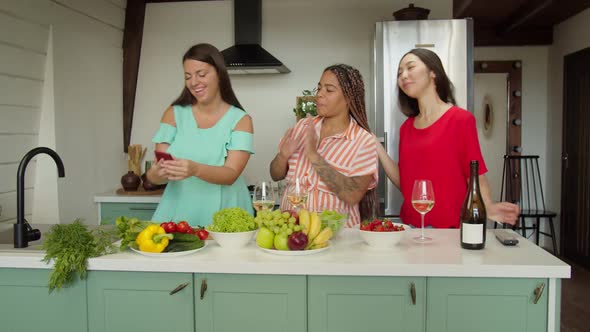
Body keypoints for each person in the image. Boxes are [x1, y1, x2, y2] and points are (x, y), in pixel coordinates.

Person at [376, 48, 519, 229]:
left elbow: (475, 175)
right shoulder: (406, 128)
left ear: (433, 72)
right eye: (399, 72)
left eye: (410, 67)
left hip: (450, 230)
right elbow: (406, 185)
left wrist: (488, 206)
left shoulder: (460, 120)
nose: (403, 75)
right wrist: (377, 146)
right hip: (411, 229)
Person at [147, 43, 254, 226]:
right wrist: (156, 174)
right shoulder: (173, 114)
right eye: (188, 76)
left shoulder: (241, 120)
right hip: (179, 210)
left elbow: (231, 174)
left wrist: (195, 169)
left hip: (226, 212)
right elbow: (157, 175)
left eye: (201, 74)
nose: (193, 82)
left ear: (219, 74)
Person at [270, 64, 378, 227]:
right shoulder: (302, 127)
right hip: (292, 231)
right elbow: (275, 174)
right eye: (319, 88)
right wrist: (282, 156)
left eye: (329, 90)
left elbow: (352, 195)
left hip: (338, 237)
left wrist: (313, 154)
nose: (319, 94)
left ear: (349, 97)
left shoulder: (363, 141)